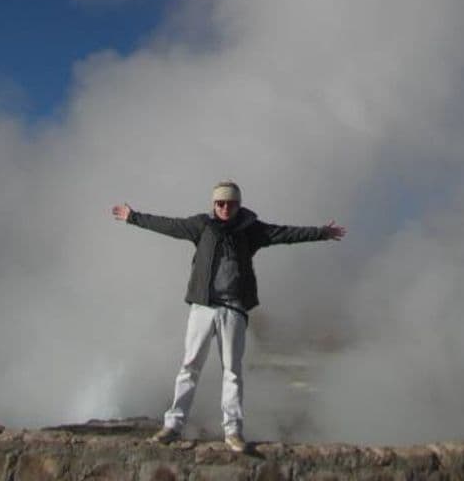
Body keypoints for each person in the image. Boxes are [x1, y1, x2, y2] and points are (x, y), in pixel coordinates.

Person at [111, 180, 346, 452]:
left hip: (234, 309)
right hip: (203, 307)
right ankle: (173, 425)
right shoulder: (201, 226)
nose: (225, 207)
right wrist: (134, 217)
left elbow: (286, 234)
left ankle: (233, 431)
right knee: (189, 367)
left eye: (230, 203)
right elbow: (168, 225)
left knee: (232, 372)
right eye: (220, 203)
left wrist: (322, 233)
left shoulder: (251, 230)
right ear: (213, 205)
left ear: (238, 204)